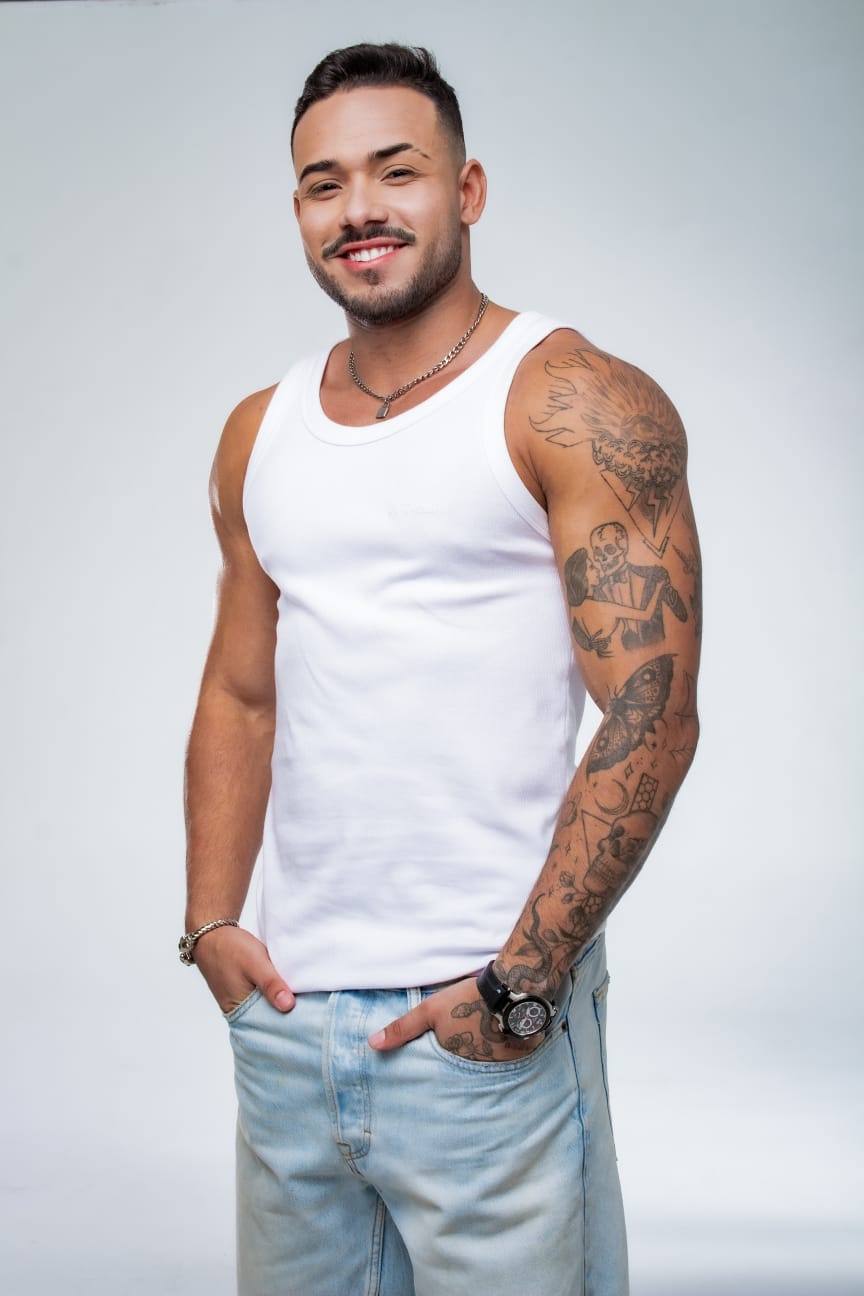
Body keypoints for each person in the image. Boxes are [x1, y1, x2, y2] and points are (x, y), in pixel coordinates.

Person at [182, 41, 701, 1296]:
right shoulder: (260, 430)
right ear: (299, 211)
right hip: (292, 1022)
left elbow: (653, 709)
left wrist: (522, 985)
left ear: (467, 190)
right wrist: (212, 929)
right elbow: (242, 692)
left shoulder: (569, 398)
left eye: (396, 171)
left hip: (484, 1022)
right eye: (324, 184)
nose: (359, 208)